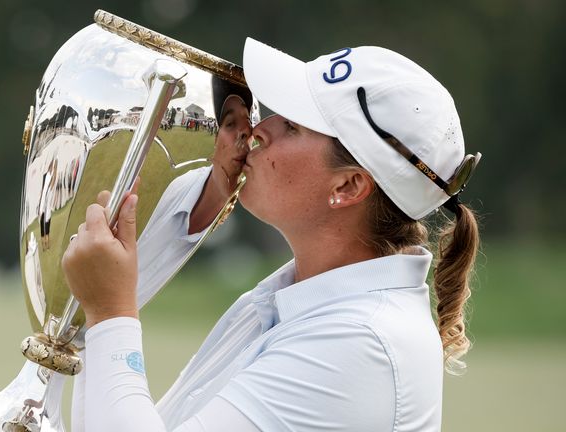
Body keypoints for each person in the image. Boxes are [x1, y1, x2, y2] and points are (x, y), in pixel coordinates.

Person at [62, 38, 481, 432]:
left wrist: (110, 312)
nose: (260, 129)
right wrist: (106, 307)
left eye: (294, 125)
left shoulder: (358, 343)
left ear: (348, 187)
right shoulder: (303, 297)